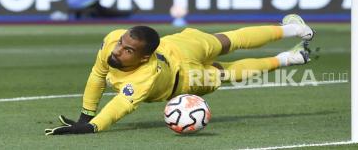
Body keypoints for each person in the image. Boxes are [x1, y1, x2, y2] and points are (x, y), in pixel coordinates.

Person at [45, 14, 315, 135]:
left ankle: (293, 33)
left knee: (228, 54)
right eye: (121, 44)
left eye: (128, 50)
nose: (118, 51)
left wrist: (92, 126)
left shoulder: (144, 76)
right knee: (229, 58)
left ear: (144, 57)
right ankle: (288, 55)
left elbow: (116, 107)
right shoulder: (113, 42)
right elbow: (97, 77)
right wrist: (86, 117)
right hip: (179, 64)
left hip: (180, 64)